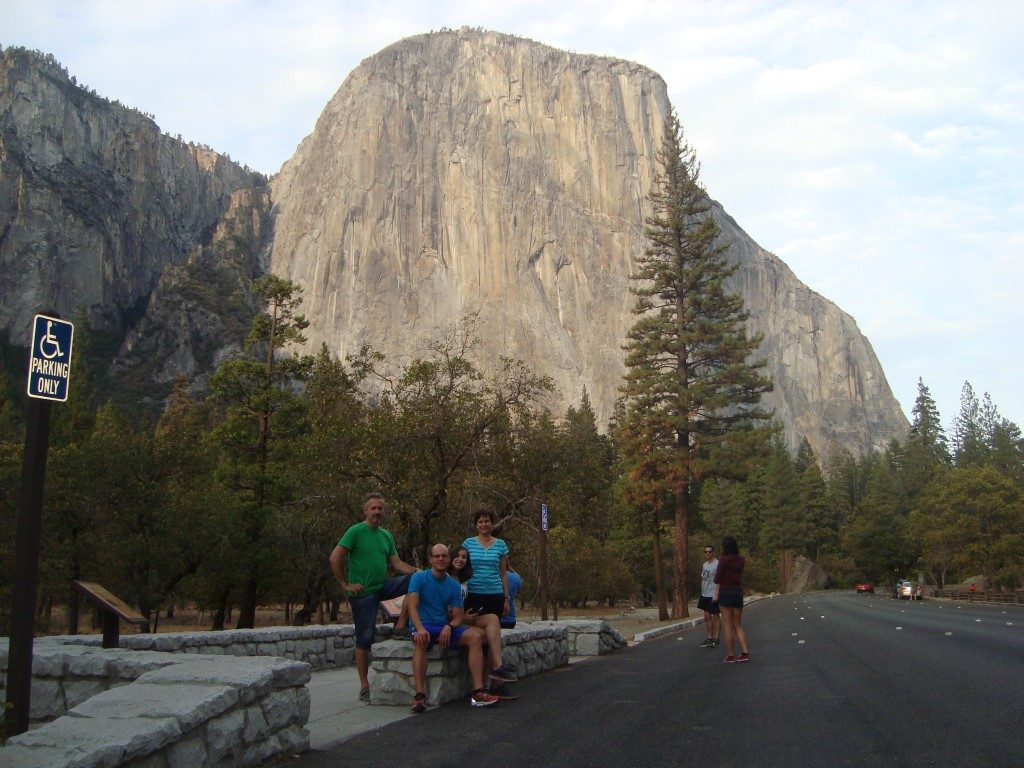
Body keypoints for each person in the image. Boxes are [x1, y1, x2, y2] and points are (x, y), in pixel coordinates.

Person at [329, 493, 418, 701]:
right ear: (366, 510)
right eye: (373, 508)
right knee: (365, 638)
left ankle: (401, 626)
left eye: (380, 508)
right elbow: (335, 557)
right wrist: (345, 584)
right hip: (363, 593)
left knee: (415, 582)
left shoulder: (386, 535)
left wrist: (420, 572)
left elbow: (397, 565)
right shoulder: (355, 531)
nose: (377, 511)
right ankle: (364, 685)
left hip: (383, 585)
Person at [407, 544, 501, 711]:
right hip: (423, 625)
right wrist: (419, 628)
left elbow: (458, 616)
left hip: (443, 625)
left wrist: (449, 626)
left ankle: (478, 692)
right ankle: (420, 696)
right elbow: (412, 606)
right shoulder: (419, 578)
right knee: (421, 642)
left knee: (475, 637)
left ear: (448, 559)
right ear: (430, 559)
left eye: (444, 556)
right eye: (436, 556)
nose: (440, 559)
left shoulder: (453, 585)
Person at [448, 545, 518, 697]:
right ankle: (480, 688)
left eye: (464, 557)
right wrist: (461, 617)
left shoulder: (463, 580)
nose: (460, 559)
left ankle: (498, 669)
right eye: (457, 556)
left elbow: (504, 574)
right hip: (450, 622)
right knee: (483, 637)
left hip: (463, 617)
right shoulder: (444, 578)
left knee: (492, 618)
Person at [461, 509, 517, 682]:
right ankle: (483, 684)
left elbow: (503, 573)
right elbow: (461, 567)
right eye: (480, 522)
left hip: (495, 595)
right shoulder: (468, 544)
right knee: (483, 641)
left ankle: (497, 685)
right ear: (476, 524)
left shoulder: (500, 545)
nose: (484, 524)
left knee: (494, 638)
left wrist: (506, 598)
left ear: (491, 523)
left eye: (487, 521)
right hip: (474, 596)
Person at [714, 535, 750, 663]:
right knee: (737, 625)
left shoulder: (723, 560)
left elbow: (717, 578)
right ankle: (745, 652)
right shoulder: (741, 560)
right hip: (737, 592)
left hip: (726, 592)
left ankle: (730, 655)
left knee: (727, 626)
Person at [698, 545, 721, 648]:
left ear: (713, 553)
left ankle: (716, 638)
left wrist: (716, 593)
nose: (707, 554)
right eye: (706, 552)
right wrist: (702, 591)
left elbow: (719, 580)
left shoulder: (717, 564)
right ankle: (709, 637)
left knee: (715, 616)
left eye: (710, 552)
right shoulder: (705, 565)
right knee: (707, 616)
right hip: (705, 594)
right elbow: (704, 578)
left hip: (713, 594)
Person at [500, 564, 524, 630]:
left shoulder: (490, 577)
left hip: (493, 621)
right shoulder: (514, 577)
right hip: (510, 621)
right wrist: (509, 567)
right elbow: (521, 581)